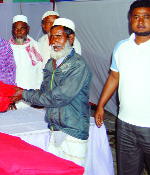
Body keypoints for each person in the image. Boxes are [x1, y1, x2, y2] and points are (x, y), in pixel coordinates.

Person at [95, 0, 150, 175]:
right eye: (136, 17)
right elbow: (114, 77)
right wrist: (100, 105)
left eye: (146, 17)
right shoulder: (121, 47)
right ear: (130, 20)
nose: (140, 21)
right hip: (125, 126)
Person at [11, 18, 92, 166]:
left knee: (73, 170)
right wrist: (22, 93)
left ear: (71, 38)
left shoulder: (78, 66)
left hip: (73, 131)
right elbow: (44, 92)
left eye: (59, 36)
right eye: (52, 36)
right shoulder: (51, 63)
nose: (54, 41)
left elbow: (58, 97)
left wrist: (23, 94)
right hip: (54, 128)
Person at [8, 15, 43, 109]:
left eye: (22, 29)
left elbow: (40, 72)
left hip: (31, 96)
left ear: (28, 29)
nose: (19, 32)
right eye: (16, 29)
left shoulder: (36, 47)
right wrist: (8, 97)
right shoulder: (7, 48)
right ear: (12, 30)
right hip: (12, 97)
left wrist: (37, 94)